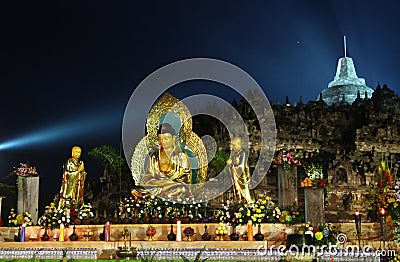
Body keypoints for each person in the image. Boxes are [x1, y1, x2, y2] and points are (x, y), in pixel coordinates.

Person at [136, 123, 192, 198]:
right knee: (138, 189)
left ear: (174, 138)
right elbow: (149, 176)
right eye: (160, 139)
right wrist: (159, 182)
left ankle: (161, 194)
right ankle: (161, 193)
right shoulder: (154, 156)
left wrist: (167, 183)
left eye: (166, 138)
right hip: (158, 185)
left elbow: (186, 178)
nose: (163, 142)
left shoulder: (181, 155)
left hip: (174, 186)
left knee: (181, 189)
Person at [226, 137, 255, 203]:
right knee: (237, 191)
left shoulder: (243, 153)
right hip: (237, 177)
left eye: (233, 145)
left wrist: (232, 164)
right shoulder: (236, 153)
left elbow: (241, 166)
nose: (232, 147)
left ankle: (248, 203)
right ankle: (239, 203)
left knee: (245, 191)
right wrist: (231, 164)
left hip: (243, 176)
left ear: (238, 144)